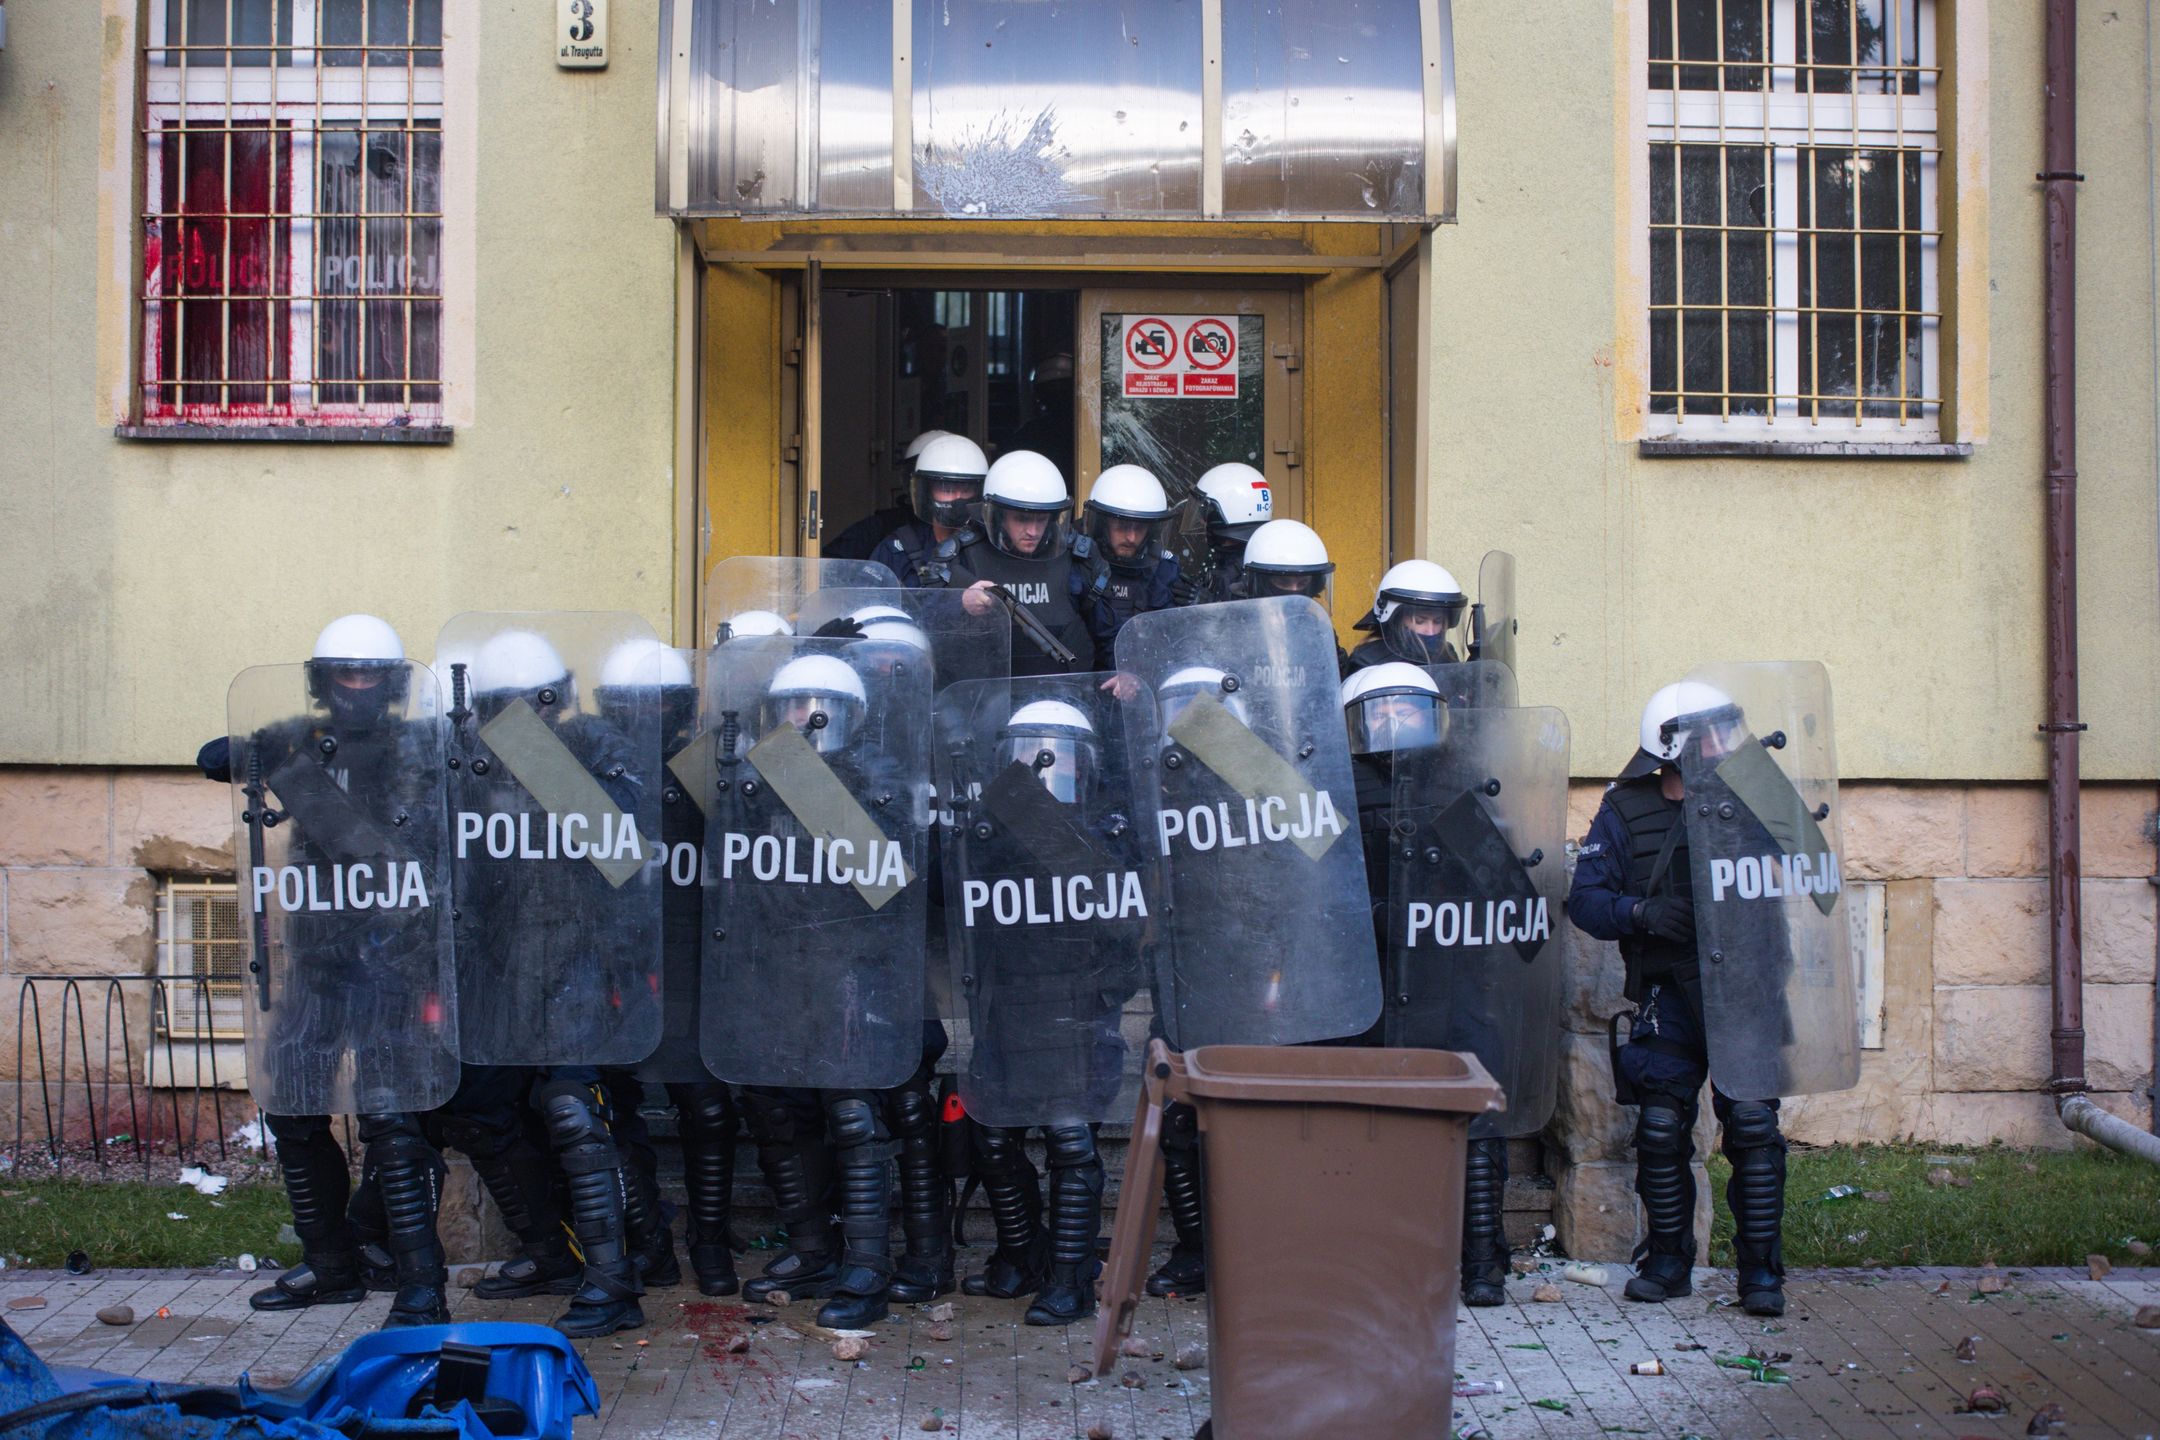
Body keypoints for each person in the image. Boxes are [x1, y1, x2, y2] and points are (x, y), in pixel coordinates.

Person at [208, 614, 456, 1328]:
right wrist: (256, 751)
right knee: (290, 1103)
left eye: (370, 672)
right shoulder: (298, 739)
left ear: (393, 683)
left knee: (393, 1114)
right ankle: (331, 1262)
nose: (357, 685)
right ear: (324, 680)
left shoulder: (421, 744)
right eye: (345, 672)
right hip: (319, 956)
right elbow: (214, 755)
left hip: (393, 956)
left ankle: (419, 1285)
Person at [1566, 680, 1789, 1318]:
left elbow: (1811, 869)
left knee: (1751, 1126)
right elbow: (1586, 899)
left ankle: (1760, 1274)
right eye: (1707, 732)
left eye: (1725, 730)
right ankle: (1667, 1261)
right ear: (1669, 745)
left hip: (1746, 986)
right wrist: (1642, 912)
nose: (1722, 743)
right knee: (1662, 1127)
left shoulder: (1759, 788)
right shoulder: (1625, 806)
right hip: (1669, 988)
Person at [948, 698, 1147, 1326]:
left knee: (1069, 1138)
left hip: (1073, 1005)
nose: (1042, 768)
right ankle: (1021, 1255)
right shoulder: (988, 825)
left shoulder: (1110, 826)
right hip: (1004, 1001)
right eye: (1029, 754)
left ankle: (1069, 1278)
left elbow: (1131, 922)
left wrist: (1104, 994)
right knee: (993, 1132)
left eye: (1058, 755)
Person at [918, 450, 1106, 678]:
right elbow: (925, 627)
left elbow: (1108, 630)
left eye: (1041, 519)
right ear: (998, 515)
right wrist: (960, 604)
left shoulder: (1078, 558)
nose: (1033, 531)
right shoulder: (958, 556)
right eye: (1022, 519)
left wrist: (1122, 674)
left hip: (1063, 694)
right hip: (982, 697)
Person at [1077, 464, 1179, 665]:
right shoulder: (1077, 564)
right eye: (1122, 526)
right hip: (1086, 681)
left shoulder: (1162, 570)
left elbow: (1178, 642)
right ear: (1103, 523)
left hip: (1143, 680)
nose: (1131, 537)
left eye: (1139, 528)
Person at [869, 434, 990, 584]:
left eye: (966, 490)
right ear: (928, 493)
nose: (958, 497)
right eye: (947, 490)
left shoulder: (990, 550)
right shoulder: (898, 550)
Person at [827, 429, 953, 562]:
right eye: (939, 485)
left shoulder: (974, 531)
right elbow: (832, 565)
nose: (955, 495)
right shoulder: (881, 527)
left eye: (963, 488)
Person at [1174, 462, 1273, 605]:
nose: (1202, 521)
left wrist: (1208, 605)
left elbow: (1254, 620)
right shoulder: (1226, 557)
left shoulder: (1258, 569)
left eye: (1206, 512)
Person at [1346, 560, 1469, 672]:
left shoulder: (1446, 655)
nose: (1431, 631)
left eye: (1438, 621)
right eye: (1420, 621)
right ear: (1396, 619)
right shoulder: (1368, 660)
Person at [1004, 353, 1075, 480]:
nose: (1058, 397)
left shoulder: (1028, 433)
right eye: (1052, 390)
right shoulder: (1029, 434)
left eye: (1062, 389)